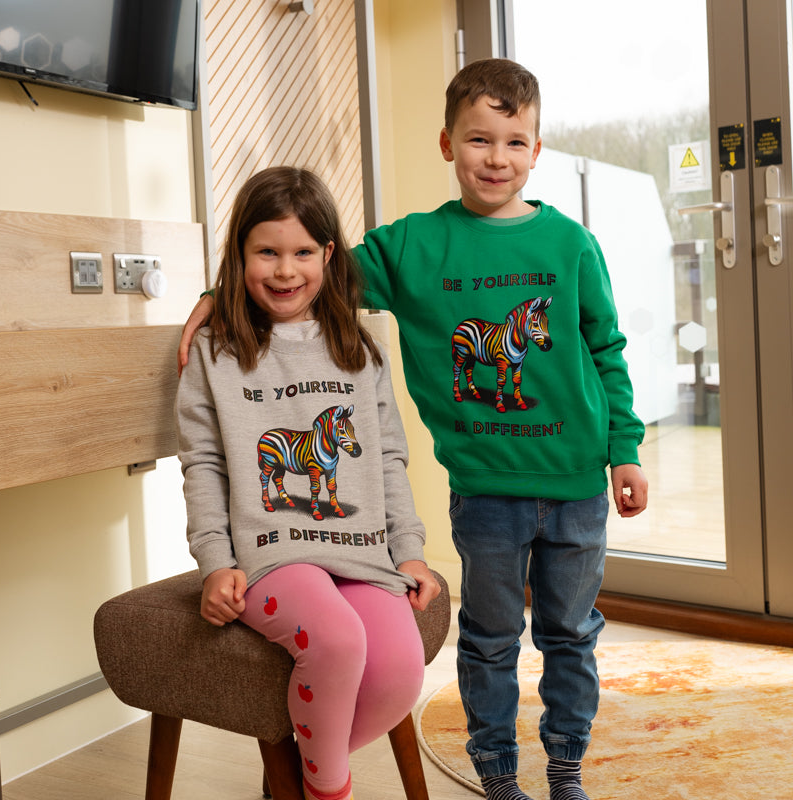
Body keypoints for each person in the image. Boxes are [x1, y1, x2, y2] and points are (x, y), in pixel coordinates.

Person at [178, 59, 648, 800]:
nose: (497, 158)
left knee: (570, 637)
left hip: (578, 483)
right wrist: (218, 291)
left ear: (537, 150)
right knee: (490, 643)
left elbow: (606, 350)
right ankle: (497, 776)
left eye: (515, 142)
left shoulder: (572, 246)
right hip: (487, 492)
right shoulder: (410, 247)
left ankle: (566, 769)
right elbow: (306, 269)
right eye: (479, 139)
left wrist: (626, 450)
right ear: (446, 143)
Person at [175, 165, 440, 800]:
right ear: (239, 253)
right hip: (272, 555)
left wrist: (409, 548)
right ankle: (326, 792)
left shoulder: (361, 349)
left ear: (327, 254)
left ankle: (289, 780)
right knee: (338, 638)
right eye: (266, 252)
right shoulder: (214, 352)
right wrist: (215, 561)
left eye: (301, 253)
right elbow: (203, 463)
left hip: (363, 551)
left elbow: (387, 461)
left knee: (401, 673)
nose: (285, 270)